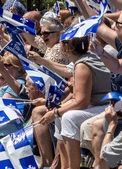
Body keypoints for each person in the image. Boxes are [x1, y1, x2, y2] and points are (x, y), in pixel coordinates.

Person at [39, 36, 111, 169]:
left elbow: (82, 101)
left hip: (105, 106)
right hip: (97, 105)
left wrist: (55, 113)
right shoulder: (84, 59)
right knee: (60, 115)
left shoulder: (82, 65)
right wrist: (57, 111)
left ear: (67, 47)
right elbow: (67, 72)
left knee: (68, 117)